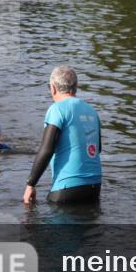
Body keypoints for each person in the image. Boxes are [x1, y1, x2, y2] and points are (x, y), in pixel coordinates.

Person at [24, 66, 102, 205]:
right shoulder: (92, 111)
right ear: (76, 86)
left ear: (52, 88)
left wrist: (31, 184)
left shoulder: (57, 109)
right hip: (94, 187)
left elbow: (47, 149)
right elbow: (98, 149)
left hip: (67, 188)